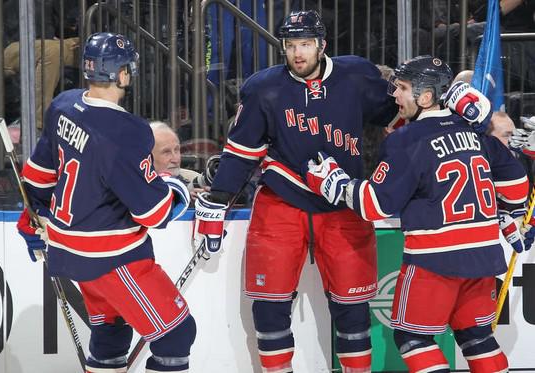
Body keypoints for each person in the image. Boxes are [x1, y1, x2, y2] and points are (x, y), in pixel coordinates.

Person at [192, 11, 490, 373]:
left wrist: (450, 103)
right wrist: (220, 200)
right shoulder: (262, 87)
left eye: (305, 44)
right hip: (282, 203)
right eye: (290, 45)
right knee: (269, 305)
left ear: (322, 45)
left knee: (353, 310)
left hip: (343, 206)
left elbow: (404, 109)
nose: (297, 53)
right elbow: (241, 152)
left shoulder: (357, 74)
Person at [304, 55, 530, 372]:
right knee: (476, 337)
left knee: (413, 339)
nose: (394, 95)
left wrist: (335, 183)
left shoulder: (406, 140)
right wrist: (504, 213)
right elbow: (518, 189)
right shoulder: (478, 135)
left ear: (425, 97)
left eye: (403, 88)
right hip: (483, 257)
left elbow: (375, 205)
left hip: (434, 261)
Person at [16, 32, 196, 372]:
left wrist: (31, 217)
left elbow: (38, 177)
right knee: (176, 335)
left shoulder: (63, 105)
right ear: (123, 73)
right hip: (112, 257)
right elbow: (154, 212)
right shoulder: (126, 131)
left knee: (111, 330)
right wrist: (177, 188)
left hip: (68, 250)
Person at [3, 0, 81, 130]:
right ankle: (38, 126)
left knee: (92, 45)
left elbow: (70, 22)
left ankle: (91, 116)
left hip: (48, 44)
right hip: (11, 49)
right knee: (51, 51)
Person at [150, 120, 211, 200]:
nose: (175, 159)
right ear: (147, 157)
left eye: (176, 150)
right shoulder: (133, 187)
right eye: (166, 152)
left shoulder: (195, 180)